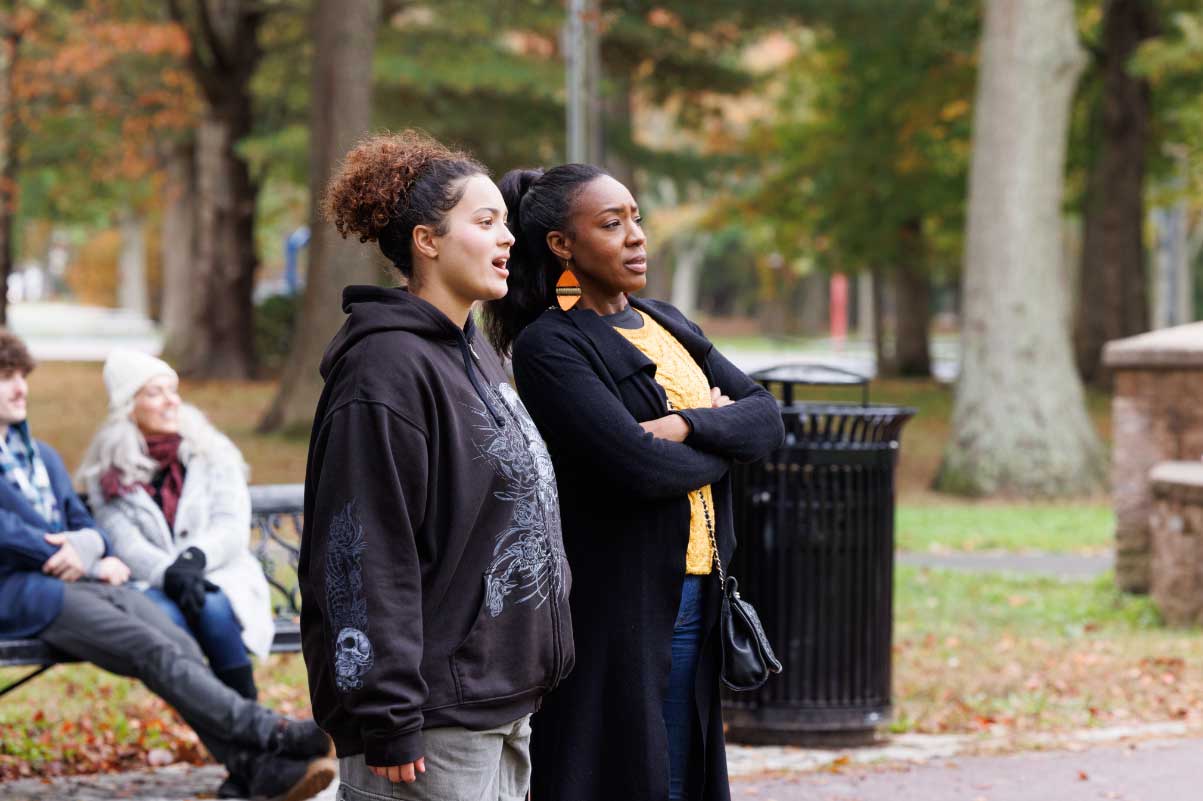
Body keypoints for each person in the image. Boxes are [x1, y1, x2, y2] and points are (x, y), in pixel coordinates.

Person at [483, 164, 785, 801]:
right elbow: (636, 467)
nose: (635, 237)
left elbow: (765, 419)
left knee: (683, 766)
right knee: (635, 773)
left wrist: (677, 427)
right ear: (562, 246)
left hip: (702, 589)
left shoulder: (664, 319)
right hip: (620, 597)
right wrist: (717, 429)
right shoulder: (551, 345)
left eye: (636, 218)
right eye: (611, 223)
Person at [298, 131, 574, 801]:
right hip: (429, 726)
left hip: (498, 704)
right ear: (427, 240)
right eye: (485, 222)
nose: (506, 238)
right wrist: (388, 716)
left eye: (506, 224)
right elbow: (364, 550)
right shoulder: (383, 370)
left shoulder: (472, 353)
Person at [0, 330, 335, 801]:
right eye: (5, 378)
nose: (20, 388)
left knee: (172, 639)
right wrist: (65, 550)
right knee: (149, 647)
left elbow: (88, 527)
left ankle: (259, 771)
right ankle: (273, 732)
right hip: (23, 594)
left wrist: (84, 548)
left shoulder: (42, 458)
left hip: (78, 582)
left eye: (21, 376)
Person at [76, 349, 274, 706]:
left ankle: (249, 714)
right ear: (128, 406)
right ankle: (239, 733)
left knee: (211, 606)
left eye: (172, 390)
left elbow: (230, 524)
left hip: (218, 570)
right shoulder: (109, 469)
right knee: (167, 622)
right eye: (155, 393)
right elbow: (123, 539)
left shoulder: (212, 450)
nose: (172, 402)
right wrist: (170, 573)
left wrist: (193, 559)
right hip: (151, 582)